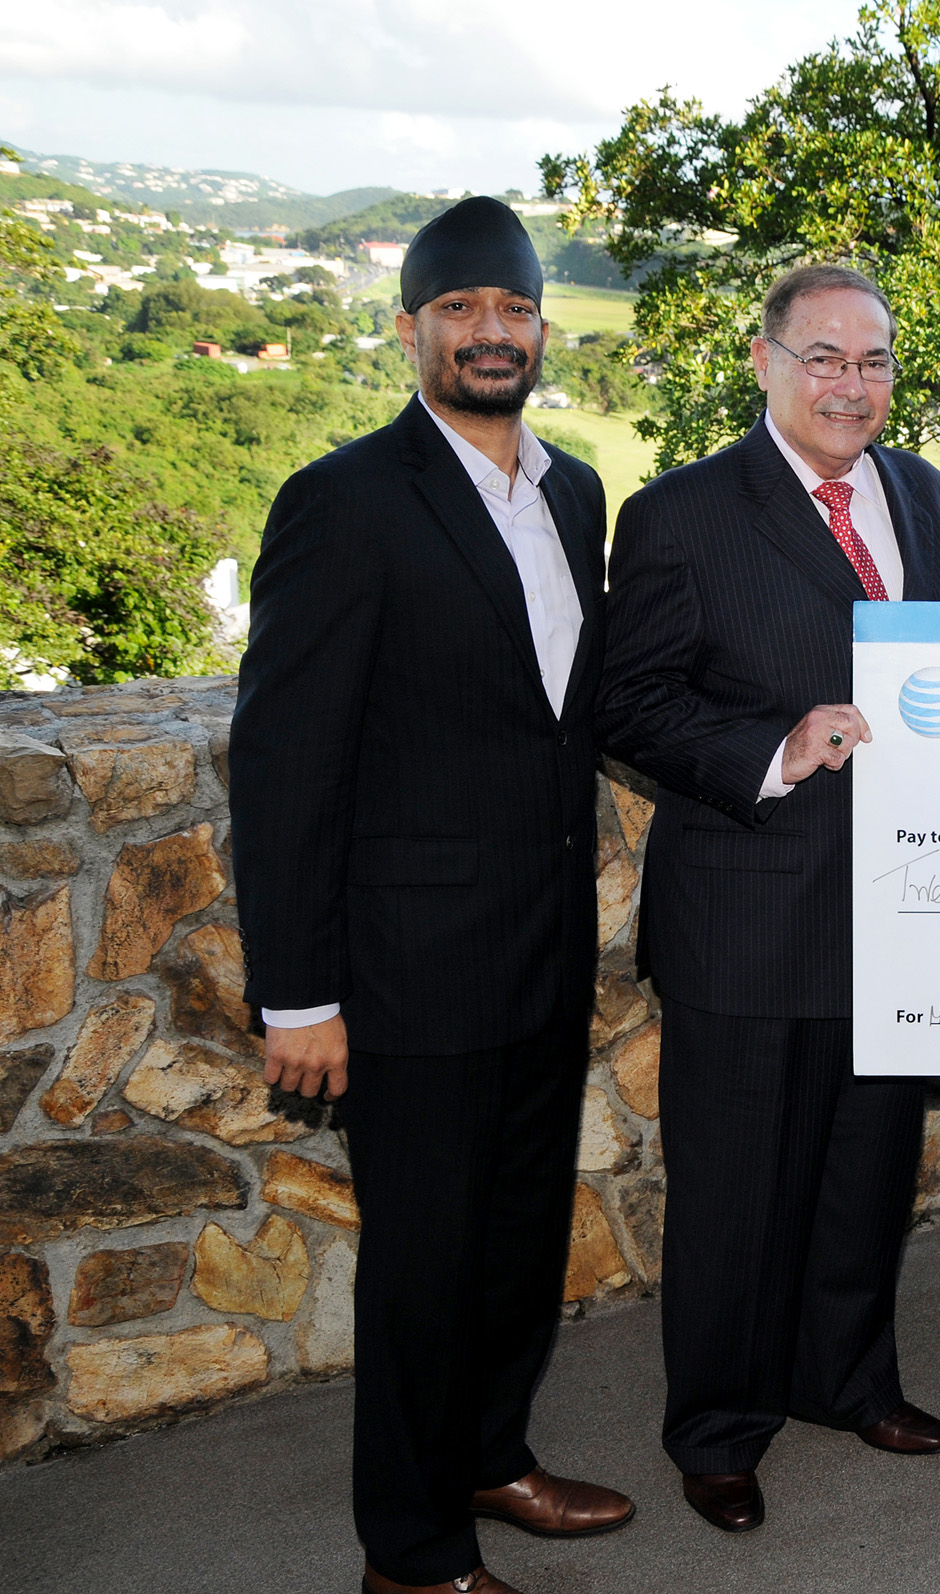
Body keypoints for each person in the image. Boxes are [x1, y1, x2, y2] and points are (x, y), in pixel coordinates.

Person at [230, 196, 632, 1594]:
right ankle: (408, 1551)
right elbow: (284, 765)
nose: (489, 331)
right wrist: (298, 992)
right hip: (404, 974)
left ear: (542, 327)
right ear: (409, 328)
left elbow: (557, 717)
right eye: (459, 308)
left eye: (512, 307)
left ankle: (488, 1456)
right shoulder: (342, 502)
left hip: (540, 953)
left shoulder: (575, 491)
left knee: (520, 1239)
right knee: (422, 1268)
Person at [596, 263, 940, 1535]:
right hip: (749, 912)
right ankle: (718, 1426)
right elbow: (630, 700)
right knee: (737, 1190)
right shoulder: (679, 514)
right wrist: (773, 747)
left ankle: (847, 1381)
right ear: (763, 362)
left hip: (897, 912)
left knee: (867, 1172)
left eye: (871, 362)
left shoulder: (929, 495)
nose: (848, 384)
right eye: (822, 357)